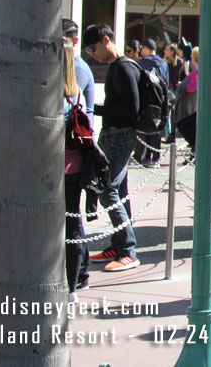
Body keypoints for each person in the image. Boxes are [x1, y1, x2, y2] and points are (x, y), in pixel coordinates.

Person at [82, 24, 141, 272]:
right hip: (114, 135)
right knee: (118, 189)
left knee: (107, 189)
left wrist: (97, 108)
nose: (92, 55)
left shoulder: (124, 67)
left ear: (106, 40)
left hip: (120, 135)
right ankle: (119, 245)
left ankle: (127, 249)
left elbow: (132, 108)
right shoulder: (119, 66)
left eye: (93, 49)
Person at [62, 43, 91, 302]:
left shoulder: (54, 95)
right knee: (73, 224)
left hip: (57, 169)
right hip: (75, 167)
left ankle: (70, 283)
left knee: (66, 226)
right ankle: (74, 283)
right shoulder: (76, 93)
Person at [134, 38, 169, 168]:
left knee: (141, 129)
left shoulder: (142, 63)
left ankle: (139, 156)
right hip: (161, 100)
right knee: (157, 129)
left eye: (142, 48)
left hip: (146, 100)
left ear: (147, 49)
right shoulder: (163, 63)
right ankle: (156, 158)